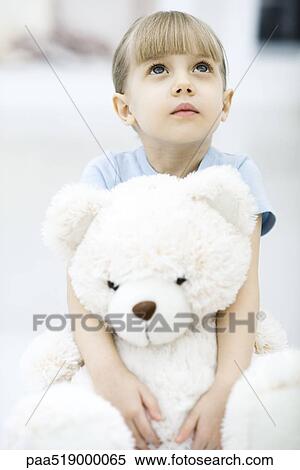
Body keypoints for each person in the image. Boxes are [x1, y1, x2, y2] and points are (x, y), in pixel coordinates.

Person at [67, 10, 276, 450]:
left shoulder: (237, 175)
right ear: (125, 108)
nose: (184, 83)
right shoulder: (105, 175)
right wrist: (109, 376)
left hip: (211, 345)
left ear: (226, 103)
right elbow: (82, 290)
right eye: (159, 69)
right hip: (127, 342)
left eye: (202, 68)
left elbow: (244, 293)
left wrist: (225, 389)